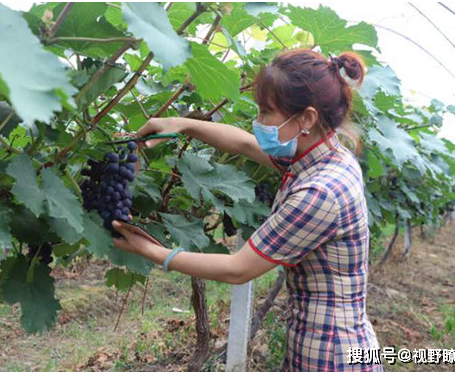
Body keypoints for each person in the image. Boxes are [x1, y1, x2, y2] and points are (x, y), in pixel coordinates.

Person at [111, 48, 384, 372]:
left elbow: (238, 268)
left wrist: (152, 252)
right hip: (328, 344)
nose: (258, 123)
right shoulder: (325, 157)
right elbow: (243, 144)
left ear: (306, 119)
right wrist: (182, 124)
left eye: (266, 112)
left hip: (330, 358)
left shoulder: (320, 192)